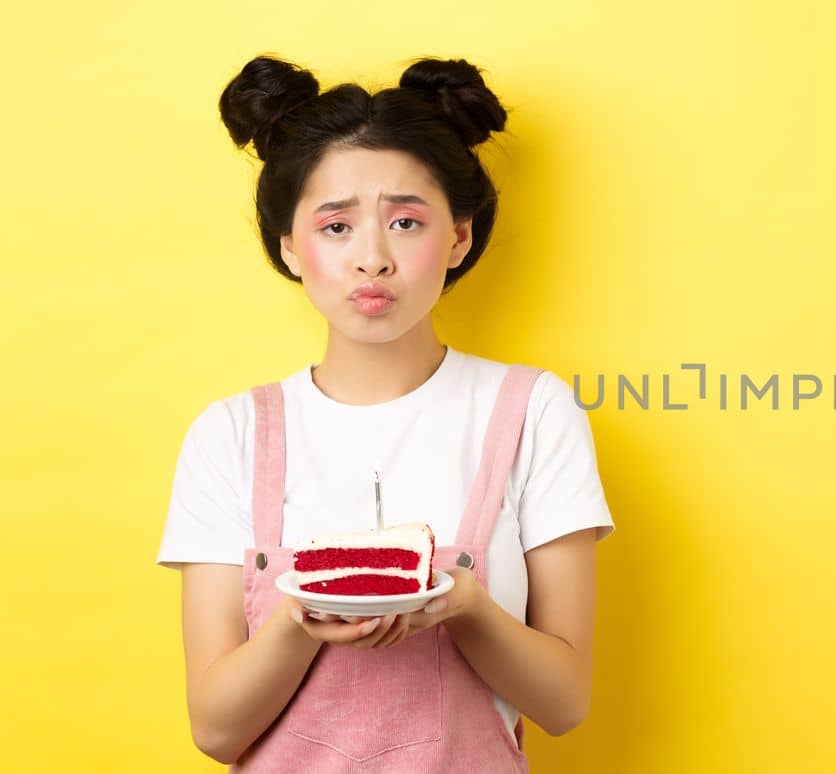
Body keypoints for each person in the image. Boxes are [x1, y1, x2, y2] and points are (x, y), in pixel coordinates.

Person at [154, 54, 616, 771]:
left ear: (459, 237)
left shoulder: (533, 411)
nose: (372, 259)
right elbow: (215, 731)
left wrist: (464, 608)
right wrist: (302, 620)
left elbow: (564, 705)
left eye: (405, 221)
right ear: (290, 246)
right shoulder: (231, 434)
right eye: (336, 228)